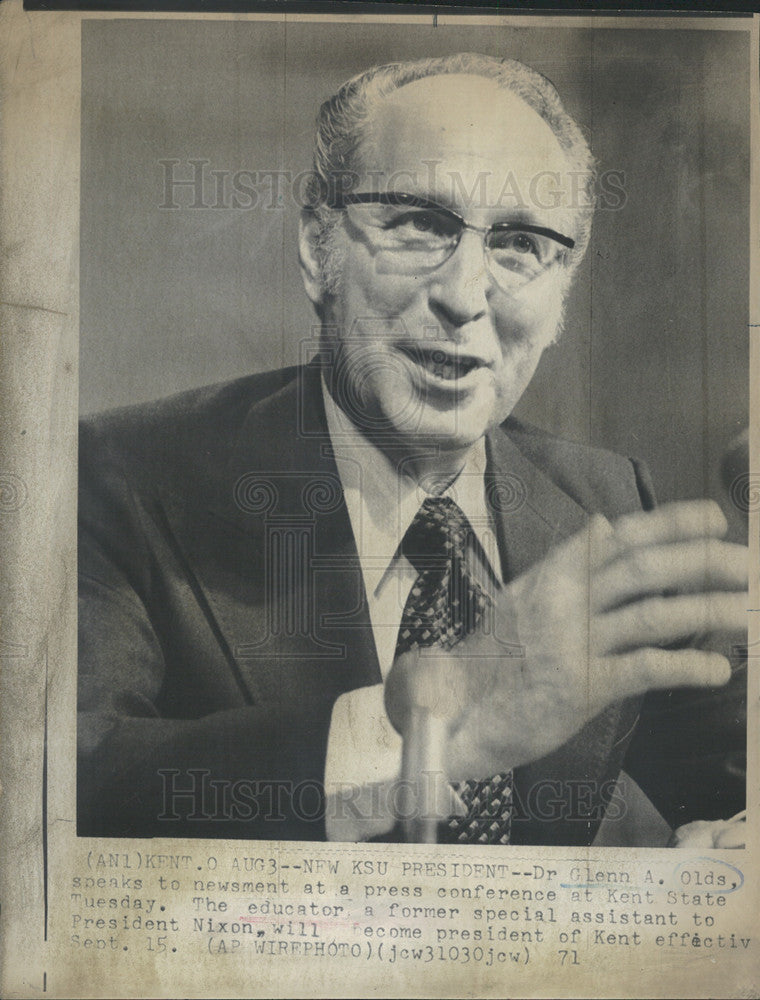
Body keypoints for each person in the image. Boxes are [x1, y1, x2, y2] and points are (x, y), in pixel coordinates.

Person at [77, 52, 747, 845]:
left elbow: (726, 763)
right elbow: (68, 781)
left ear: (562, 289)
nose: (465, 297)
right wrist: (415, 740)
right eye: (420, 224)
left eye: (521, 244)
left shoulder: (607, 501)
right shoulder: (121, 476)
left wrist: (735, 840)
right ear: (318, 250)